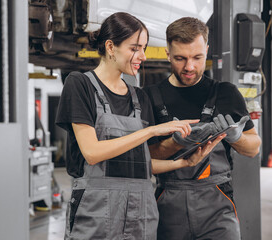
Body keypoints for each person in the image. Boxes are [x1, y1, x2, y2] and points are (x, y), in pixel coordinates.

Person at [55, 12, 225, 240]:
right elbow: (92, 153)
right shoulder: (80, 85)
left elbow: (142, 165)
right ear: (110, 47)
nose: (142, 56)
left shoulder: (140, 98)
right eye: (135, 48)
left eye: (144, 48)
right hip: (95, 211)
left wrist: (184, 162)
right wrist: (151, 131)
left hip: (140, 214)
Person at [143, 17, 262, 240]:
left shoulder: (226, 93)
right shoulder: (149, 97)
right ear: (167, 53)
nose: (189, 67)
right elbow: (146, 156)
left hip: (217, 205)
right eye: (180, 58)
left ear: (207, 50)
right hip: (169, 204)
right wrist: (176, 143)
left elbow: (253, 147)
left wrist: (236, 138)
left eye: (197, 57)